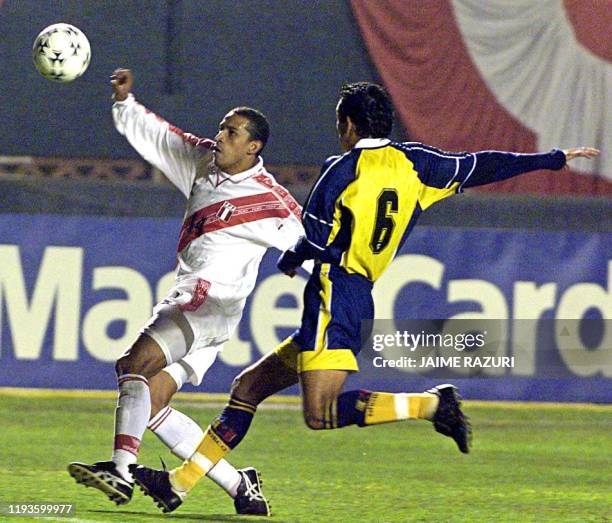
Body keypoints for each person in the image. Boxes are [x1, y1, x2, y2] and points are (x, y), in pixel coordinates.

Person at [128, 82, 600, 513]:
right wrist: (552, 158)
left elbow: (311, 238)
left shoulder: (342, 169)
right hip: (358, 296)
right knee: (248, 389)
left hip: (334, 294)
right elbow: (486, 164)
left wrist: (292, 261)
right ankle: (181, 484)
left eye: (340, 124)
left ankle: (433, 405)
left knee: (321, 413)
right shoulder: (421, 163)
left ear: (349, 126)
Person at [67, 68, 312, 517]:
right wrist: (125, 103)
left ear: (253, 147)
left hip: (206, 305)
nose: (220, 135)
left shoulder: (272, 201)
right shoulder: (203, 160)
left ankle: (121, 471)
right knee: (154, 400)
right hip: (206, 311)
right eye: (222, 127)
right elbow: (161, 137)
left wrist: (340, 285)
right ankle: (241, 485)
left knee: (133, 364)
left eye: (232, 132)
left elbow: (312, 247)